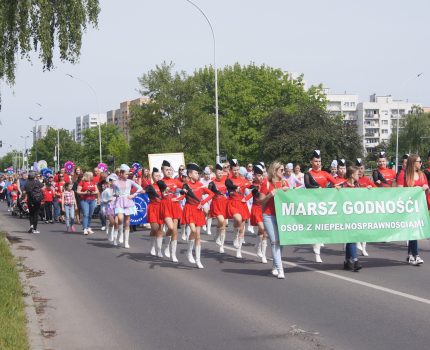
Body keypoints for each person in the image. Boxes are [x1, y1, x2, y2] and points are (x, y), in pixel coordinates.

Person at [304, 150, 340, 263]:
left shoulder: (325, 174)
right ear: (311, 162)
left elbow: (336, 182)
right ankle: (317, 252)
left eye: (319, 161)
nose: (318, 163)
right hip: (312, 203)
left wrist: (337, 186)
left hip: (323, 204)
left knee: (321, 228)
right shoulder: (308, 174)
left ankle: (317, 248)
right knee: (317, 228)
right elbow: (307, 185)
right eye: (316, 161)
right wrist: (317, 188)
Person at [259, 161, 289, 279]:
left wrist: (288, 191)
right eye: (281, 170)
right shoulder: (266, 183)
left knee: (281, 242)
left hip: (282, 216)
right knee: (275, 241)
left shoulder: (284, 182)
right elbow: (260, 202)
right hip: (269, 215)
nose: (283, 172)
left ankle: (275, 266)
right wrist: (269, 195)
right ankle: (281, 269)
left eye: (284, 170)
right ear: (274, 171)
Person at [181, 163, 214, 268]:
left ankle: (198, 260)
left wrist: (202, 203)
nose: (198, 175)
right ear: (190, 174)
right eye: (195, 173)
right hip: (189, 209)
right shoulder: (187, 184)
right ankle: (189, 251)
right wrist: (181, 194)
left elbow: (211, 194)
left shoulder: (200, 184)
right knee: (193, 231)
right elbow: (182, 193)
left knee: (198, 236)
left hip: (198, 210)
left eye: (198, 173)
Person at [397, 154, 427, 265]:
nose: (421, 163)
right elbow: (399, 192)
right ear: (413, 162)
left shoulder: (422, 174)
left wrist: (425, 189)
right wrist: (416, 190)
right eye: (419, 161)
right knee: (413, 231)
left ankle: (410, 255)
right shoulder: (403, 175)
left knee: (413, 231)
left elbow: (426, 189)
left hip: (419, 207)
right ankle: (416, 255)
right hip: (408, 208)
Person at [341, 166, 372, 271]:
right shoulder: (343, 186)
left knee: (351, 239)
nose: (359, 175)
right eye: (357, 173)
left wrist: (367, 190)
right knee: (352, 238)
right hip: (346, 217)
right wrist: (335, 190)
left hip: (355, 216)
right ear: (351, 175)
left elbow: (361, 197)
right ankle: (355, 260)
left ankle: (347, 261)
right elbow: (331, 195)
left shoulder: (358, 185)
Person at [225, 159, 252, 258]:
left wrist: (247, 197)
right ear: (231, 170)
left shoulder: (243, 180)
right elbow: (229, 186)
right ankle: (235, 236)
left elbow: (252, 188)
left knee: (242, 228)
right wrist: (234, 188)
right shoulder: (229, 180)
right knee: (238, 219)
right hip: (233, 203)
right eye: (234, 170)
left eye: (237, 169)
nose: (236, 171)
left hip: (242, 204)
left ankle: (239, 250)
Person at [112, 164, 143, 248]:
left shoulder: (130, 182)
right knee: (120, 218)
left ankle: (126, 242)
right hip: (119, 201)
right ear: (121, 174)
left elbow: (140, 188)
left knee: (127, 221)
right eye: (126, 174)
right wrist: (115, 195)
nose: (127, 175)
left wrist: (133, 195)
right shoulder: (115, 182)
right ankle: (120, 234)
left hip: (128, 201)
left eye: (128, 174)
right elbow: (114, 193)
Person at [159, 160, 183, 262]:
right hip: (165, 205)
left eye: (170, 170)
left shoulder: (176, 181)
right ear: (162, 171)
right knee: (171, 227)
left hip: (175, 205)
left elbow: (186, 190)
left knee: (175, 231)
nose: (168, 171)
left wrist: (179, 198)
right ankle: (166, 244)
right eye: (166, 170)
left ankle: (173, 254)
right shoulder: (160, 182)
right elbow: (160, 194)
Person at [247, 164, 268, 263]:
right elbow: (252, 193)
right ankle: (259, 249)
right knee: (262, 229)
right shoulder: (253, 185)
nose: (260, 177)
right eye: (258, 175)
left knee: (265, 233)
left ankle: (260, 250)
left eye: (261, 175)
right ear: (254, 176)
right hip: (256, 208)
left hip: (265, 209)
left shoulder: (266, 183)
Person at [356, 158, 376, 256]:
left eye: (361, 168)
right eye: (358, 168)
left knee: (364, 229)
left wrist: (370, 188)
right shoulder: (352, 180)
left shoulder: (366, 180)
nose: (360, 170)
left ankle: (363, 248)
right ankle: (353, 244)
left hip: (364, 208)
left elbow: (376, 189)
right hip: (353, 209)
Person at [208, 163, 228, 253]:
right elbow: (208, 193)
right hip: (216, 204)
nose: (220, 174)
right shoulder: (212, 183)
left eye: (221, 173)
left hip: (224, 204)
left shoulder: (226, 181)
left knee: (223, 224)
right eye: (218, 173)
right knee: (221, 221)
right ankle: (218, 239)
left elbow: (230, 189)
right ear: (215, 173)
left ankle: (221, 243)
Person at [145, 168, 164, 257]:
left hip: (161, 209)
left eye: (159, 176)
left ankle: (159, 250)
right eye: (156, 176)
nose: (158, 177)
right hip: (153, 208)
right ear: (152, 177)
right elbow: (142, 191)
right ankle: (152, 247)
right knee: (155, 228)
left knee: (160, 229)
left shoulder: (163, 186)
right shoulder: (150, 186)